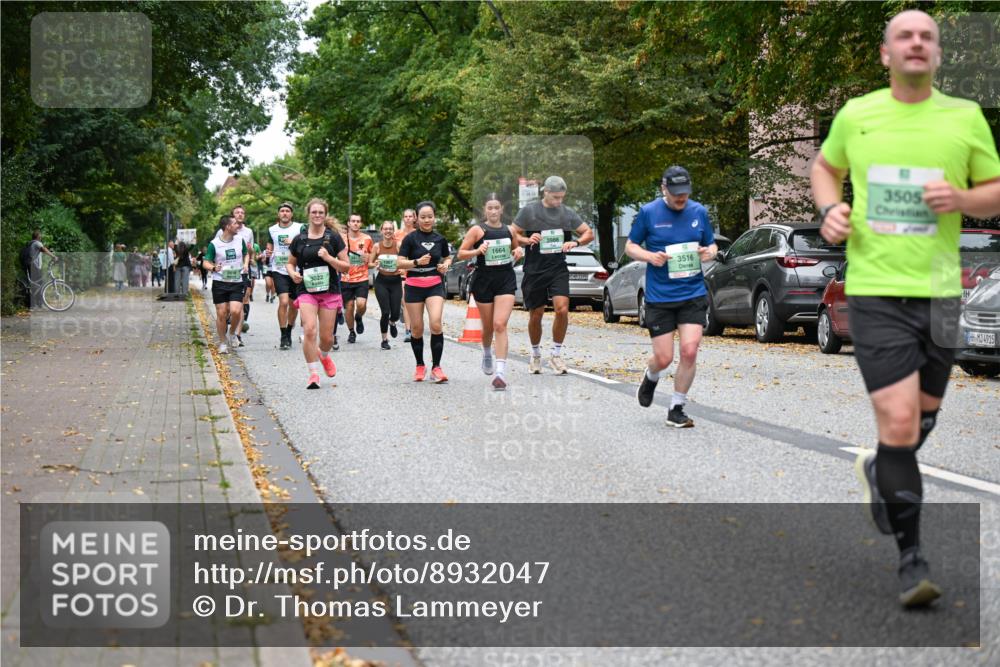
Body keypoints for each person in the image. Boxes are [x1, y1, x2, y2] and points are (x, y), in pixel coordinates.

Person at [810, 9, 1000, 608]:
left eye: (927, 36)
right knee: (897, 423)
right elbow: (825, 168)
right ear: (886, 54)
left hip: (941, 293)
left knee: (921, 421)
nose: (916, 43)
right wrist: (829, 211)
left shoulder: (964, 117)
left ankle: (882, 468)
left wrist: (961, 196)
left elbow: (994, 191)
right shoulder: (858, 114)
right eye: (904, 36)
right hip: (876, 292)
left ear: (937, 54)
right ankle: (912, 560)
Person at [629, 166, 717, 428]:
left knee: (689, 351)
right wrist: (650, 256)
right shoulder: (649, 212)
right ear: (663, 189)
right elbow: (630, 246)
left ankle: (676, 407)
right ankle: (651, 375)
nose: (681, 197)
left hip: (692, 293)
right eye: (676, 192)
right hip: (660, 297)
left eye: (685, 192)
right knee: (664, 358)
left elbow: (712, 244)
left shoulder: (699, 212)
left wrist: (709, 252)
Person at [511, 175, 594, 374]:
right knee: (536, 314)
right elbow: (512, 233)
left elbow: (588, 233)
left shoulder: (567, 213)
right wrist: (526, 240)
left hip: (558, 268)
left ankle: (556, 355)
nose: (559, 201)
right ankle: (535, 355)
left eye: (561, 197)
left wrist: (575, 242)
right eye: (555, 197)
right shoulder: (530, 211)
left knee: (562, 310)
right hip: (534, 269)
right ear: (546, 192)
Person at [457, 194, 524, 390]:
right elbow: (461, 253)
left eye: (496, 207)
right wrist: (477, 251)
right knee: (488, 327)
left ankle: (500, 373)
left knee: (500, 324)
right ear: (485, 210)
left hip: (505, 279)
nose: (493, 211)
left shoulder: (510, 230)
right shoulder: (477, 230)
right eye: (490, 208)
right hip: (483, 280)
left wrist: (518, 252)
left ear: (501, 209)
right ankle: (487, 351)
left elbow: (516, 250)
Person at [287, 199, 349, 389]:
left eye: (321, 212)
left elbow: (346, 267)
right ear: (308, 214)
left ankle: (323, 355)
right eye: (314, 212)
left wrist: (329, 258)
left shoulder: (334, 238)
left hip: (329, 290)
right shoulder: (299, 239)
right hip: (306, 290)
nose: (317, 215)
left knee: (327, 338)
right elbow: (290, 263)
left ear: (325, 214)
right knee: (309, 330)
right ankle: (313, 374)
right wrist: (293, 273)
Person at [398, 201, 452, 382]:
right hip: (414, 285)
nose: (427, 220)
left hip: (434, 284)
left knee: (436, 323)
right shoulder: (410, 239)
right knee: (416, 329)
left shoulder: (440, 239)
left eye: (430, 216)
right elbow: (399, 262)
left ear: (434, 217)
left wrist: (445, 265)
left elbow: (447, 257)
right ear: (417, 218)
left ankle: (436, 367)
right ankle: (420, 365)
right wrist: (416, 262)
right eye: (423, 217)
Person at [202, 215, 250, 354]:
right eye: (235, 223)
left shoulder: (240, 240)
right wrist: (213, 268)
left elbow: (246, 254)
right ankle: (223, 342)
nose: (238, 225)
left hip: (236, 281)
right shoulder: (214, 244)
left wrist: (245, 264)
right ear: (228, 226)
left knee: (236, 311)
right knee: (222, 313)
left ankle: (232, 332)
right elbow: (205, 262)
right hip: (220, 282)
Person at [268, 202, 305, 350]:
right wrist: (267, 252)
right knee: (283, 302)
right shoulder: (272, 230)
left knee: (293, 304)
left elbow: (306, 243)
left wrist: (294, 243)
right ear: (278, 214)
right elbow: (270, 247)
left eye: (287, 211)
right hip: (279, 269)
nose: (284, 213)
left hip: (295, 270)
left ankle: (289, 330)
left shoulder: (300, 228)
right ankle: (283, 335)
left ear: (292, 214)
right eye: (282, 211)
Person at [370, 221, 404, 350]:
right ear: (381, 231)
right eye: (385, 229)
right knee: (385, 312)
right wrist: (375, 264)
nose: (388, 231)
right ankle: (384, 340)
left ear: (393, 231)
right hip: (381, 282)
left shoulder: (398, 245)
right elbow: (369, 263)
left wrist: (402, 269)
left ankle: (392, 322)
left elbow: (405, 261)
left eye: (390, 229)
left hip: (395, 281)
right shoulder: (377, 246)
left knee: (395, 313)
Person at [341, 213, 373, 344]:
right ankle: (351, 332)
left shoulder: (367, 238)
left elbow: (372, 255)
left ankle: (358, 317)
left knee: (361, 304)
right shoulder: (341, 238)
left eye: (358, 221)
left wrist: (368, 258)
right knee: (348, 307)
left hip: (362, 277)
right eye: (353, 221)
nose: (355, 223)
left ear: (361, 223)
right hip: (346, 278)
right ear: (348, 223)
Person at [21, 230, 58, 307]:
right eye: (40, 236)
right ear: (38, 237)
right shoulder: (37, 243)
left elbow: (41, 250)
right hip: (33, 266)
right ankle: (36, 302)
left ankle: (36, 302)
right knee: (39, 283)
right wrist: (53, 256)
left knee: (37, 284)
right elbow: (43, 249)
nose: (41, 237)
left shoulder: (31, 243)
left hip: (30, 266)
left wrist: (49, 251)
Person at [398, 208, 417, 342]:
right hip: (402, 272)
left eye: (410, 216)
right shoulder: (397, 234)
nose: (408, 218)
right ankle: (408, 331)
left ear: (415, 218)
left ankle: (415, 326)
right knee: (406, 301)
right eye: (406, 216)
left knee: (415, 303)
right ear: (403, 218)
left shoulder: (419, 234)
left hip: (417, 271)